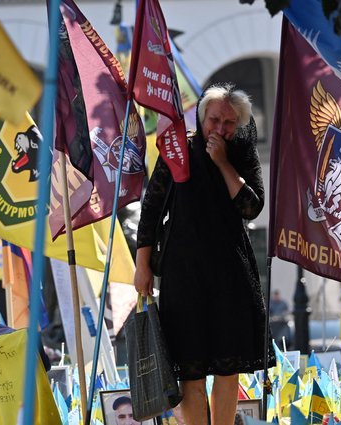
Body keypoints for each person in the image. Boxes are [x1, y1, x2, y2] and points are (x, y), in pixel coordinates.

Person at [135, 83, 274, 425]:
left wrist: (224, 163)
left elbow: (251, 207)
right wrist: (142, 268)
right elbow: (150, 211)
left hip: (230, 276)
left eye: (229, 122)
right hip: (183, 276)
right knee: (191, 374)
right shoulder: (179, 148)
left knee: (228, 371)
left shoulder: (241, 150)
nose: (220, 129)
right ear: (202, 116)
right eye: (214, 120)